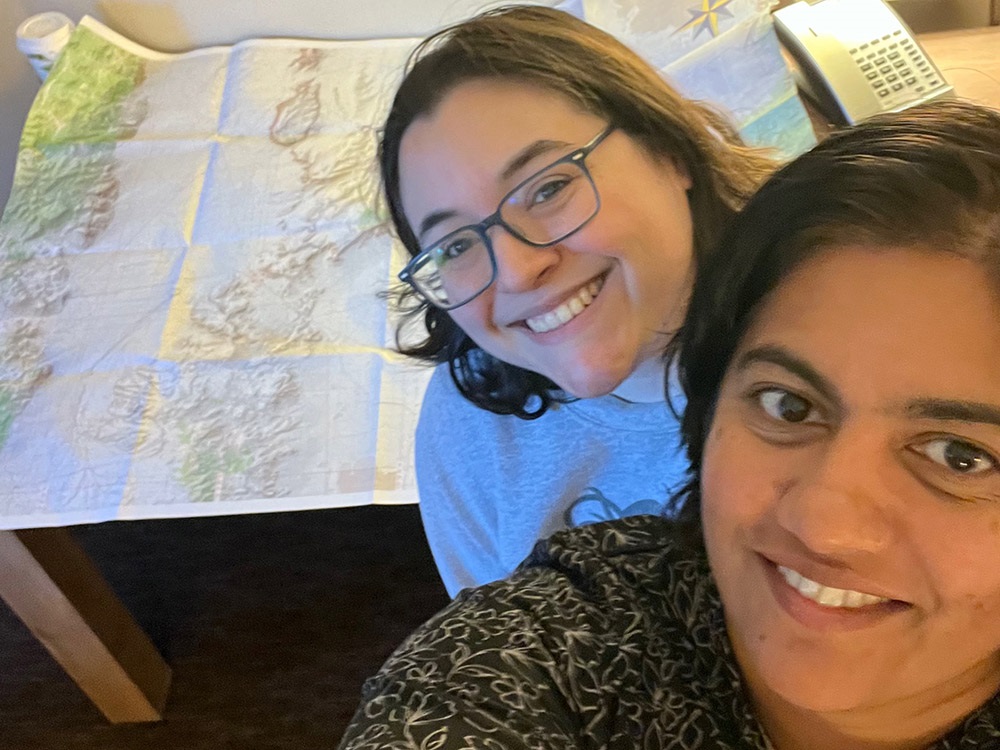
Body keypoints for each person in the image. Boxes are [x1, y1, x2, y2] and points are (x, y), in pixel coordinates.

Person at [339, 99, 1000, 748]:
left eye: (959, 455)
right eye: (788, 405)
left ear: (671, 154)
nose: (822, 526)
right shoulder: (545, 654)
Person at [381, 5, 775, 595]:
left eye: (547, 188)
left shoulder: (827, 334)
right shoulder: (471, 426)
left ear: (668, 150)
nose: (515, 271)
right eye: (456, 245)